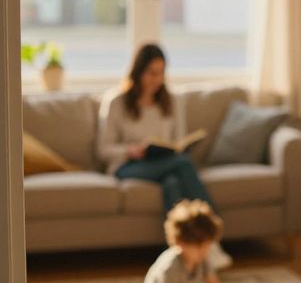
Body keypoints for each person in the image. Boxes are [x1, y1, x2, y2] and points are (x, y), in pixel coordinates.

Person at [98, 43, 231, 269]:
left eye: (161, 73)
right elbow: (103, 149)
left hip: (165, 163)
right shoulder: (116, 101)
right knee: (182, 164)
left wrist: (177, 148)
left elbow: (178, 142)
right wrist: (131, 150)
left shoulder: (173, 101)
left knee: (172, 182)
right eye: (151, 73)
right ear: (138, 71)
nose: (157, 79)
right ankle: (211, 236)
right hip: (128, 166)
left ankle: (182, 253)